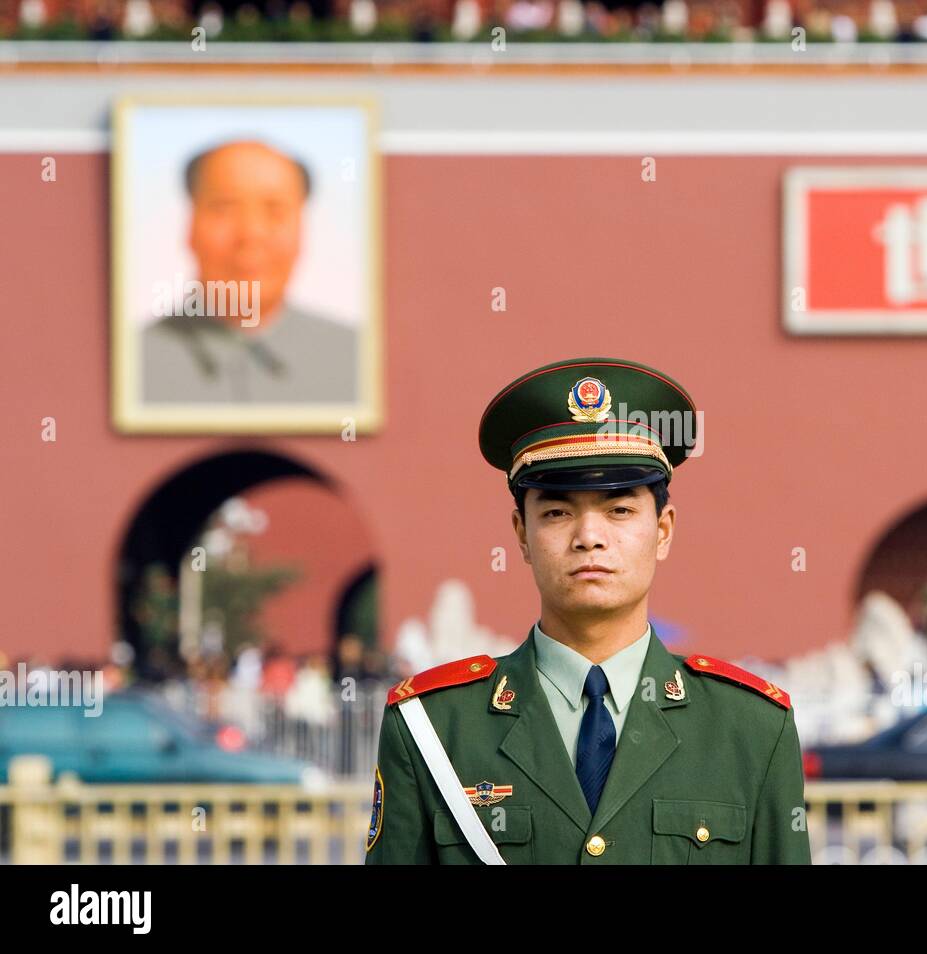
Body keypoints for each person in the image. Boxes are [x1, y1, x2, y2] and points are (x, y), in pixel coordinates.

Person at [365, 357, 812, 864]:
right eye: (557, 512)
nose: (589, 538)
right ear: (521, 535)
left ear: (663, 530)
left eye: (619, 510)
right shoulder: (436, 725)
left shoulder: (750, 728)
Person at [140, 140, 358, 404]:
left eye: (275, 211)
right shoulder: (133, 361)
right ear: (189, 227)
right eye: (224, 208)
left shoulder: (357, 359)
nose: (251, 234)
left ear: (303, 230)